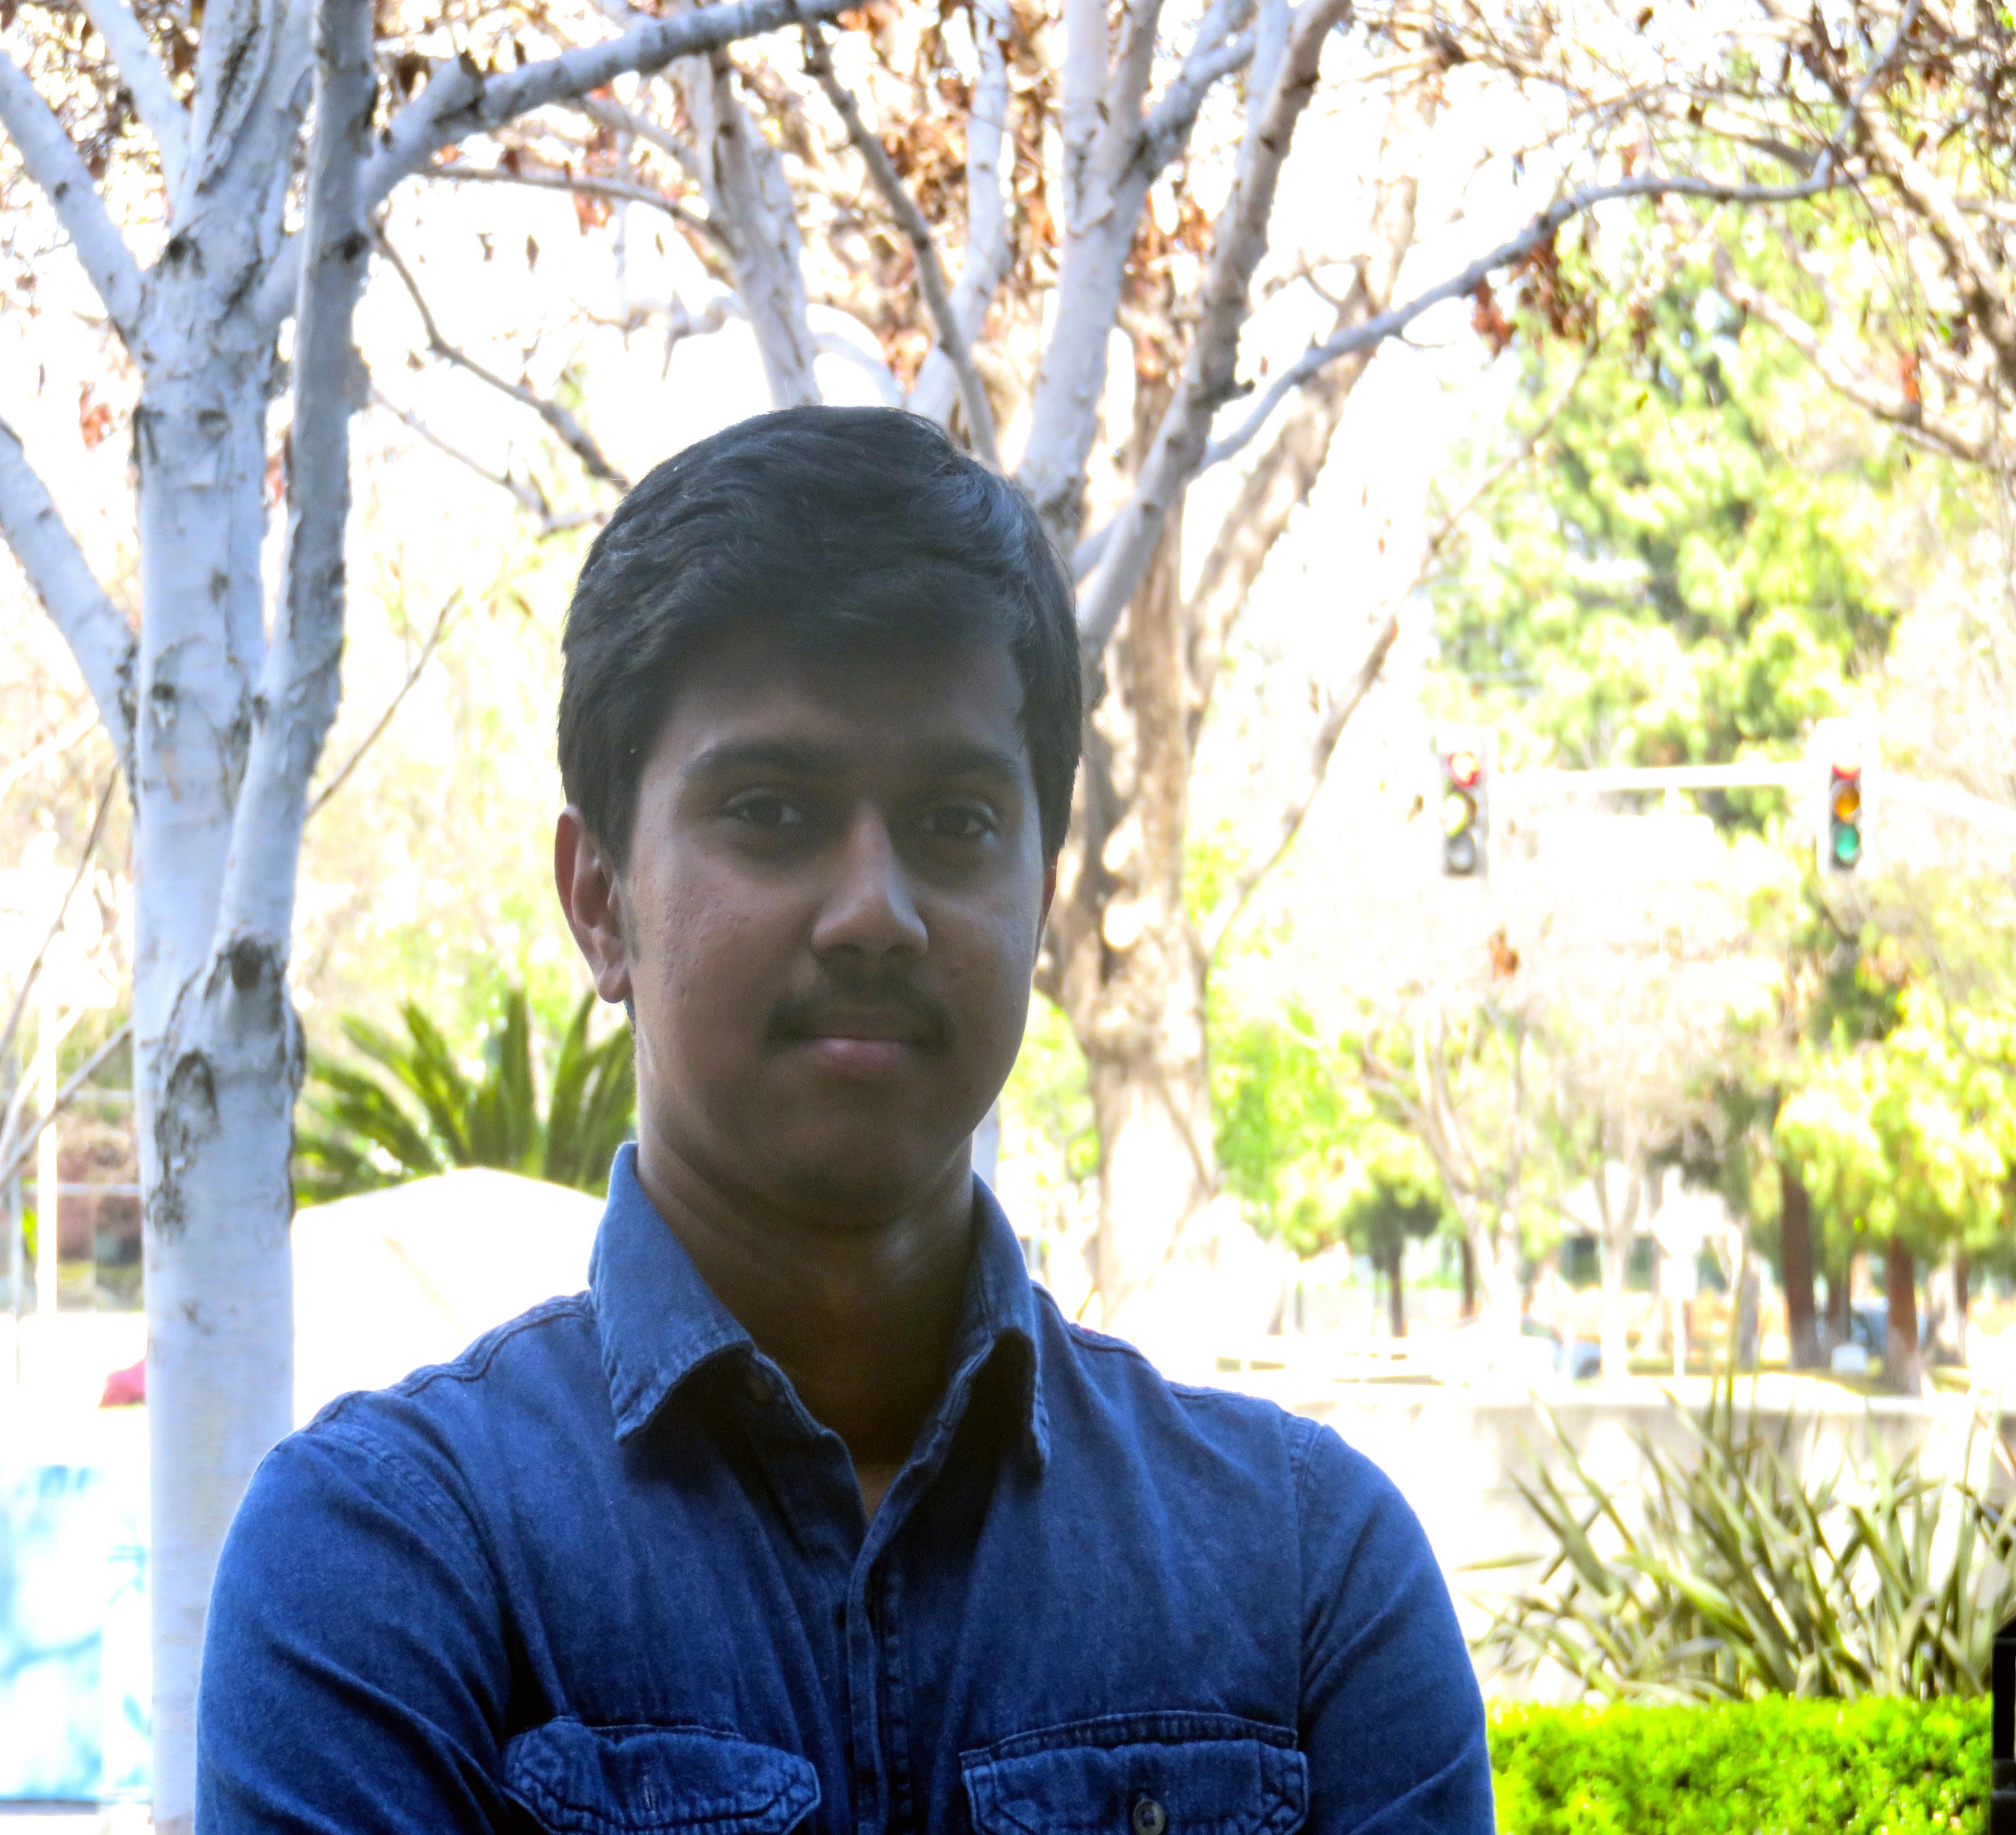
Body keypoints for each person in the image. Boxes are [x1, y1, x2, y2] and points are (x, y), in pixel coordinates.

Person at [197, 407, 1493, 1834]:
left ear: (1040, 898)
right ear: (600, 900)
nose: (876, 909)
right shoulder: (390, 1559)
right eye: (771, 810)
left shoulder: (1312, 1578)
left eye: (954, 822)